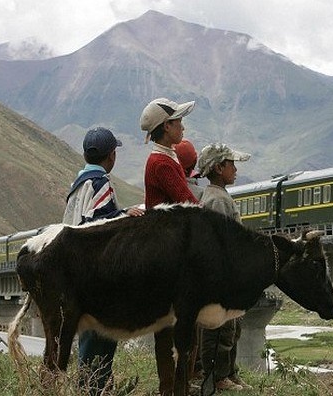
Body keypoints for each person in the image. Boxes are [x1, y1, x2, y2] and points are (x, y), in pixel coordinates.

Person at [62, 126, 144, 395]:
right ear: (111, 155)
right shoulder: (101, 184)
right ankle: (94, 387)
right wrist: (124, 216)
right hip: (96, 275)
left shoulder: (77, 185)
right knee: (102, 337)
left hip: (76, 271)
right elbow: (98, 226)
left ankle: (88, 385)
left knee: (87, 334)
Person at [140, 97, 199, 396]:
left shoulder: (166, 157)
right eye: (178, 122)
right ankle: (173, 389)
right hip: (168, 253)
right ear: (167, 127)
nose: (182, 126)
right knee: (172, 329)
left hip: (170, 248)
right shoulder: (162, 163)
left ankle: (179, 388)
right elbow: (187, 202)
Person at [197, 143, 253, 392]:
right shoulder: (217, 201)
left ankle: (229, 372)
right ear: (219, 168)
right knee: (220, 330)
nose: (235, 169)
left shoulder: (217, 196)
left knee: (233, 327)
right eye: (231, 164)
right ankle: (217, 376)